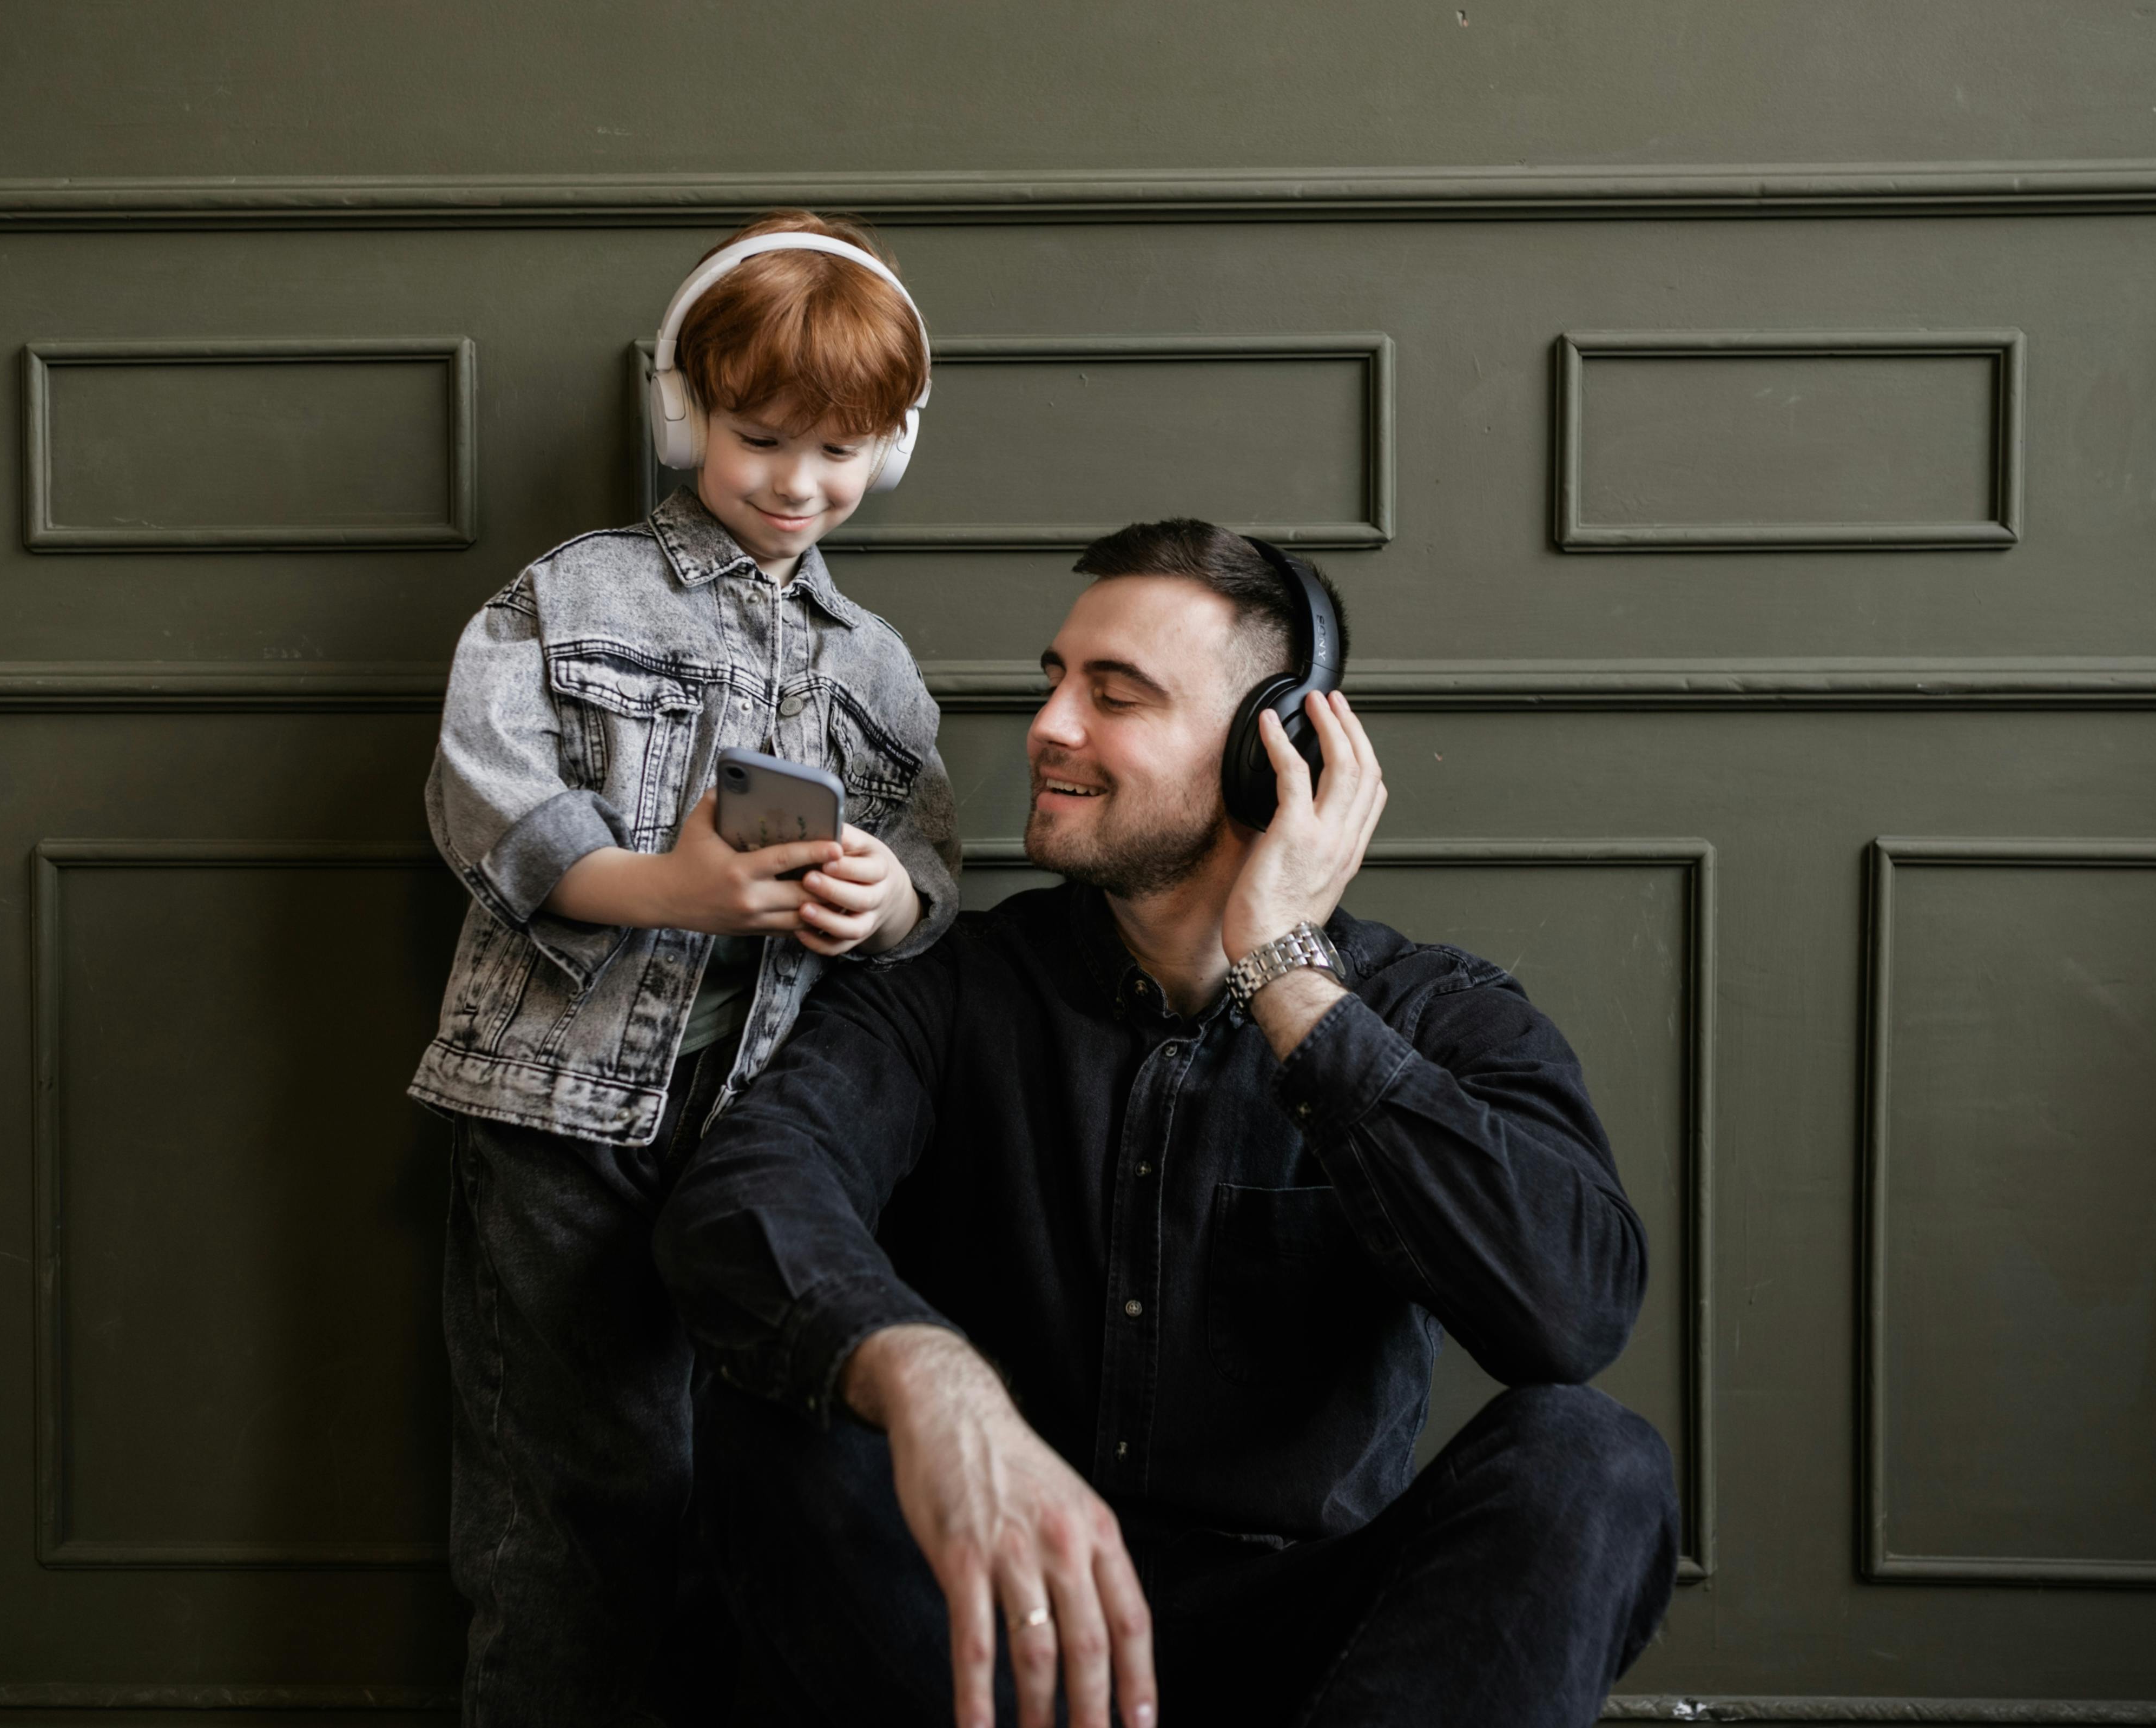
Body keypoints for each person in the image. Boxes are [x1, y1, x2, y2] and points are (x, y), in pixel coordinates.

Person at [654, 519, 1679, 1728]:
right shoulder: (954, 984)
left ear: (1270, 756)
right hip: (994, 1643)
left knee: (1594, 1461)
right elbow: (746, 1189)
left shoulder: (1434, 1012)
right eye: (1054, 683)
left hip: (1310, 1658)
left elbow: (1569, 1311)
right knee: (774, 1413)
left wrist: (1289, 981)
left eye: (1116, 697)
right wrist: (931, 1381)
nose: (1046, 728)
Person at [408, 210, 961, 1727]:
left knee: (753, 1494)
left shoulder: (876, 664)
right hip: (559, 1115)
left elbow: (932, 856)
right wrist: (670, 888)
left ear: (894, 450)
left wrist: (883, 902)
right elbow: (489, 800)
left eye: (842, 452)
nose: (799, 484)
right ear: (683, 412)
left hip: (758, 1139)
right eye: (761, 437)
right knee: (573, 1504)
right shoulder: (573, 597)